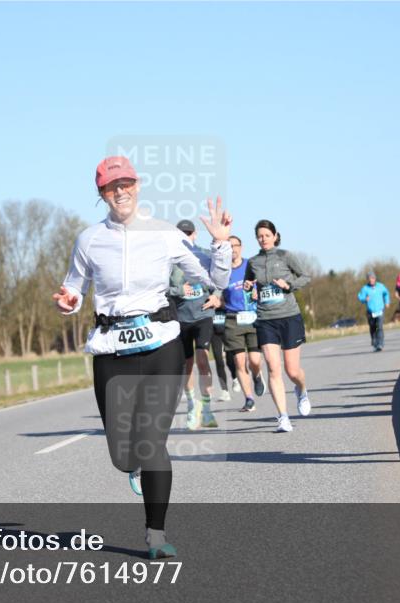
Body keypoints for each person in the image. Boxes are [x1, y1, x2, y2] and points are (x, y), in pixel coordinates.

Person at [53, 156, 232, 559]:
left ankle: (156, 534)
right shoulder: (88, 239)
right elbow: (73, 288)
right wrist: (68, 302)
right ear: (101, 194)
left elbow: (213, 278)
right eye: (111, 186)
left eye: (126, 183)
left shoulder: (166, 235)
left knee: (153, 443)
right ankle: (131, 465)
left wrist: (220, 243)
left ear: (138, 186)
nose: (121, 191)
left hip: (161, 344)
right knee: (123, 455)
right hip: (112, 350)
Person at [243, 220, 311, 432]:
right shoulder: (253, 262)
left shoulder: (285, 256)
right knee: (273, 368)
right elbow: (249, 285)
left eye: (266, 235)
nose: (263, 239)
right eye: (259, 236)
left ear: (275, 235)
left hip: (289, 317)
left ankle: (302, 389)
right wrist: (249, 287)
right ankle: (282, 416)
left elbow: (306, 277)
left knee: (292, 371)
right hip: (265, 319)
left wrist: (288, 285)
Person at [169, 220, 221, 429]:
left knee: (202, 359)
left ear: (195, 234)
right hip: (180, 318)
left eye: (189, 233)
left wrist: (217, 296)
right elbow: (161, 289)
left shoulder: (204, 256)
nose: (186, 236)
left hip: (203, 315)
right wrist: (180, 291)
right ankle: (193, 406)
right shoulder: (169, 261)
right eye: (182, 234)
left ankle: (207, 409)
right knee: (186, 366)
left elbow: (219, 280)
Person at [221, 235, 265, 412]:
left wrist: (257, 291)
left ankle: (256, 375)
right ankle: (249, 399)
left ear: (241, 247)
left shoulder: (250, 265)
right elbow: (217, 293)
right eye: (229, 246)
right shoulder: (222, 271)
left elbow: (262, 283)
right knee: (239, 362)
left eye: (235, 245)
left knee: (254, 360)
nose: (233, 249)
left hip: (253, 316)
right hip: (233, 319)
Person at [357, 271, 390, 351]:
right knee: (372, 327)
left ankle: (380, 344)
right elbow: (360, 296)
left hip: (380, 310)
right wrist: (365, 299)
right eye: (369, 278)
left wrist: (387, 302)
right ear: (367, 280)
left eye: (372, 278)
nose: (371, 280)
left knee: (379, 327)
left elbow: (386, 293)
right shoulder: (365, 288)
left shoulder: (381, 286)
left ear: (375, 278)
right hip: (370, 311)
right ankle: (374, 341)